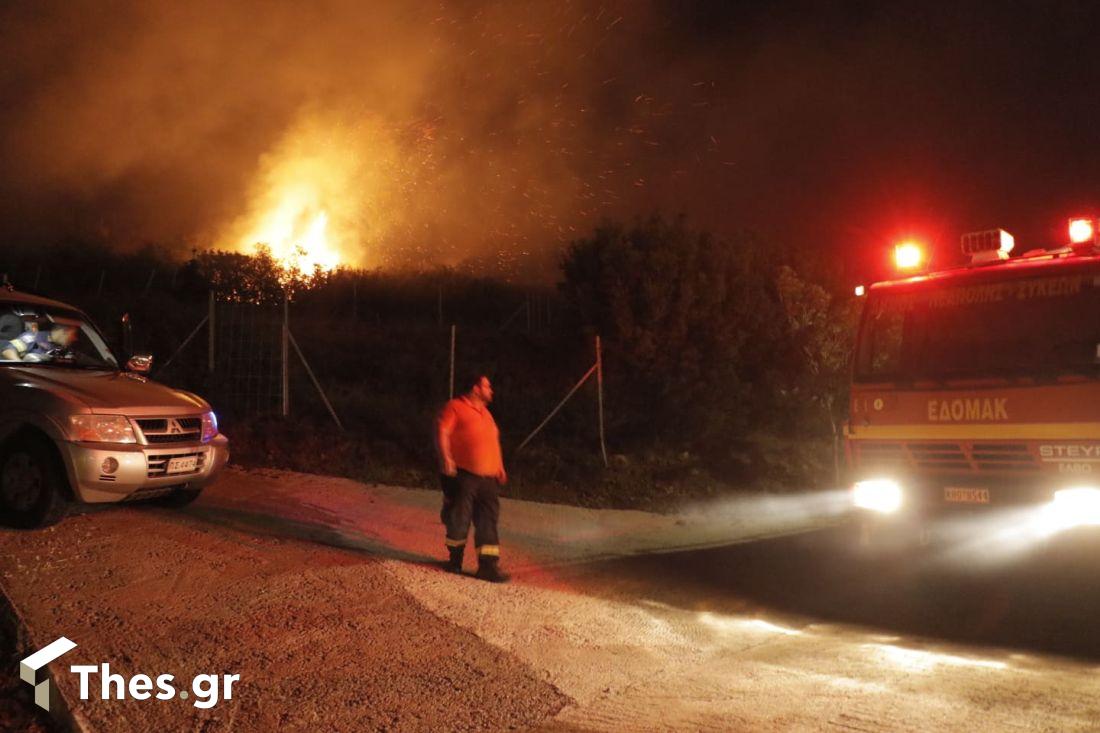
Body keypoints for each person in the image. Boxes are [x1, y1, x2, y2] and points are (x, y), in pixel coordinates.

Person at [435, 373, 509, 583]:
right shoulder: (455, 407)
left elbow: (492, 441)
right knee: (460, 517)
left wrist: (499, 466)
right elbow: (443, 431)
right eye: (487, 386)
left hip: (489, 479)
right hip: (464, 475)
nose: (491, 390)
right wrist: (446, 458)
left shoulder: (486, 414)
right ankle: (455, 560)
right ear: (476, 388)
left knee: (488, 520)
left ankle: (487, 566)